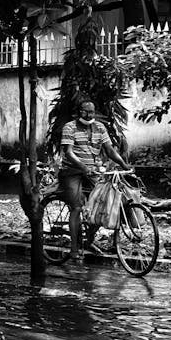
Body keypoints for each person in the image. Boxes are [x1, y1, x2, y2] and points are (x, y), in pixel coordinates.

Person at [59, 100, 131, 262]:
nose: (89, 115)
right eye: (85, 111)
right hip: (71, 172)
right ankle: (74, 248)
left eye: (92, 112)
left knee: (102, 204)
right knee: (76, 208)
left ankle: (89, 240)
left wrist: (124, 164)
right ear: (79, 112)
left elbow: (110, 150)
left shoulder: (99, 127)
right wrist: (83, 167)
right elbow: (69, 153)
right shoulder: (69, 127)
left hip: (92, 171)